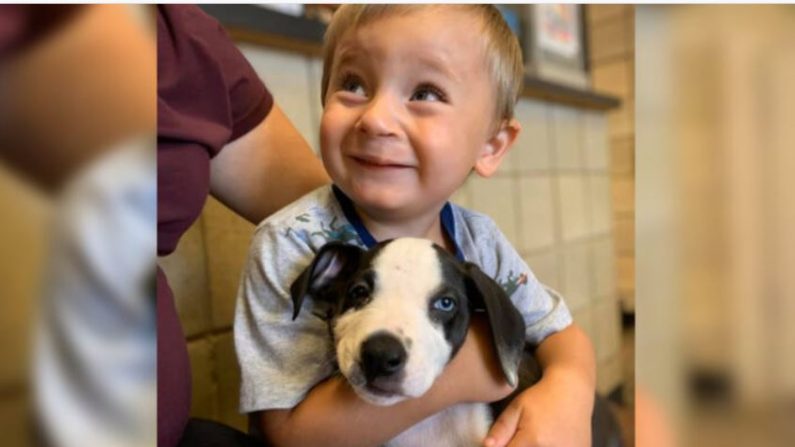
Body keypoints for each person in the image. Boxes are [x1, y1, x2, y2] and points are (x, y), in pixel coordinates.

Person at [234, 5, 596, 447]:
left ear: (491, 145)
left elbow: (560, 334)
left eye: (425, 92)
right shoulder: (291, 243)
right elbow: (288, 434)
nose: (376, 119)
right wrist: (465, 373)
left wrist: (571, 390)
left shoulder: (480, 243)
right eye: (353, 84)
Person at [156, 5, 329, 447]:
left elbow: (332, 219)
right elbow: (289, 433)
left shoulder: (176, 33)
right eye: (352, 87)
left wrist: (535, 380)